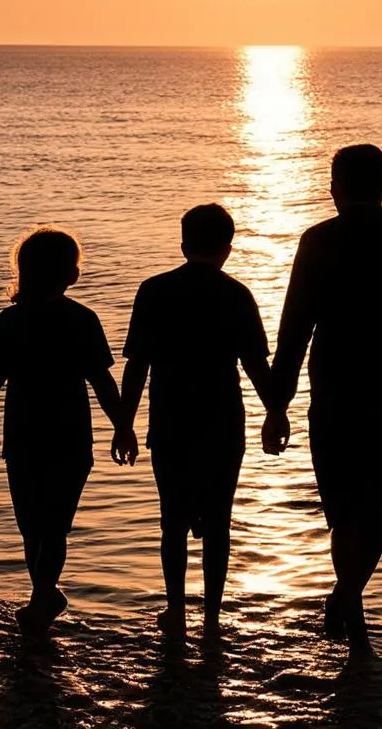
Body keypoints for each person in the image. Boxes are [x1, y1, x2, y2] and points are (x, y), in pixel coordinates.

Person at [266, 144, 382, 651]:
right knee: (376, 506)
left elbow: (293, 329)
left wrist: (276, 404)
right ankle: (348, 599)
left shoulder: (317, 241)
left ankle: (346, 597)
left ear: (335, 189)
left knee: (343, 510)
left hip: (332, 393)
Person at [115, 203, 284, 640]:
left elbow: (137, 366)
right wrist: (276, 411)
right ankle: (211, 617)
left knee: (172, 519)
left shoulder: (153, 291)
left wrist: (123, 422)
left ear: (184, 243)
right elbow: (255, 365)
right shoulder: (237, 294)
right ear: (228, 247)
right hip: (223, 423)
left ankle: (176, 611)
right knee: (218, 521)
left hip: (170, 421)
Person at [0, 227, 121, 633]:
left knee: (35, 524)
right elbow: (102, 382)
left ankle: (42, 595)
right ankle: (44, 594)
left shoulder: (14, 320)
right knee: (49, 525)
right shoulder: (80, 319)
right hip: (67, 436)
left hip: (26, 435)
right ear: (71, 275)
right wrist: (123, 427)